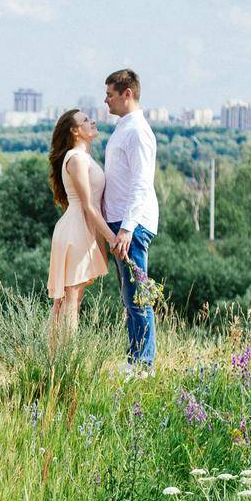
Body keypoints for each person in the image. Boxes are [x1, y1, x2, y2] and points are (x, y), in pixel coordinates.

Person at [101, 68, 159, 373]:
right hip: (122, 224)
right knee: (129, 296)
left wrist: (126, 229)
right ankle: (136, 359)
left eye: (110, 94)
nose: (106, 100)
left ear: (127, 94)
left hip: (131, 226)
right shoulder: (124, 127)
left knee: (138, 296)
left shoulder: (137, 131)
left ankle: (143, 365)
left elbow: (141, 183)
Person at [46, 108, 113, 344]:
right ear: (75, 131)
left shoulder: (83, 157)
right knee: (70, 299)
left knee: (71, 299)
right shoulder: (75, 159)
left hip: (83, 229)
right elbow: (88, 205)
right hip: (76, 230)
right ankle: (65, 360)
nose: (92, 121)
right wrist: (112, 239)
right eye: (85, 120)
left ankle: (55, 359)